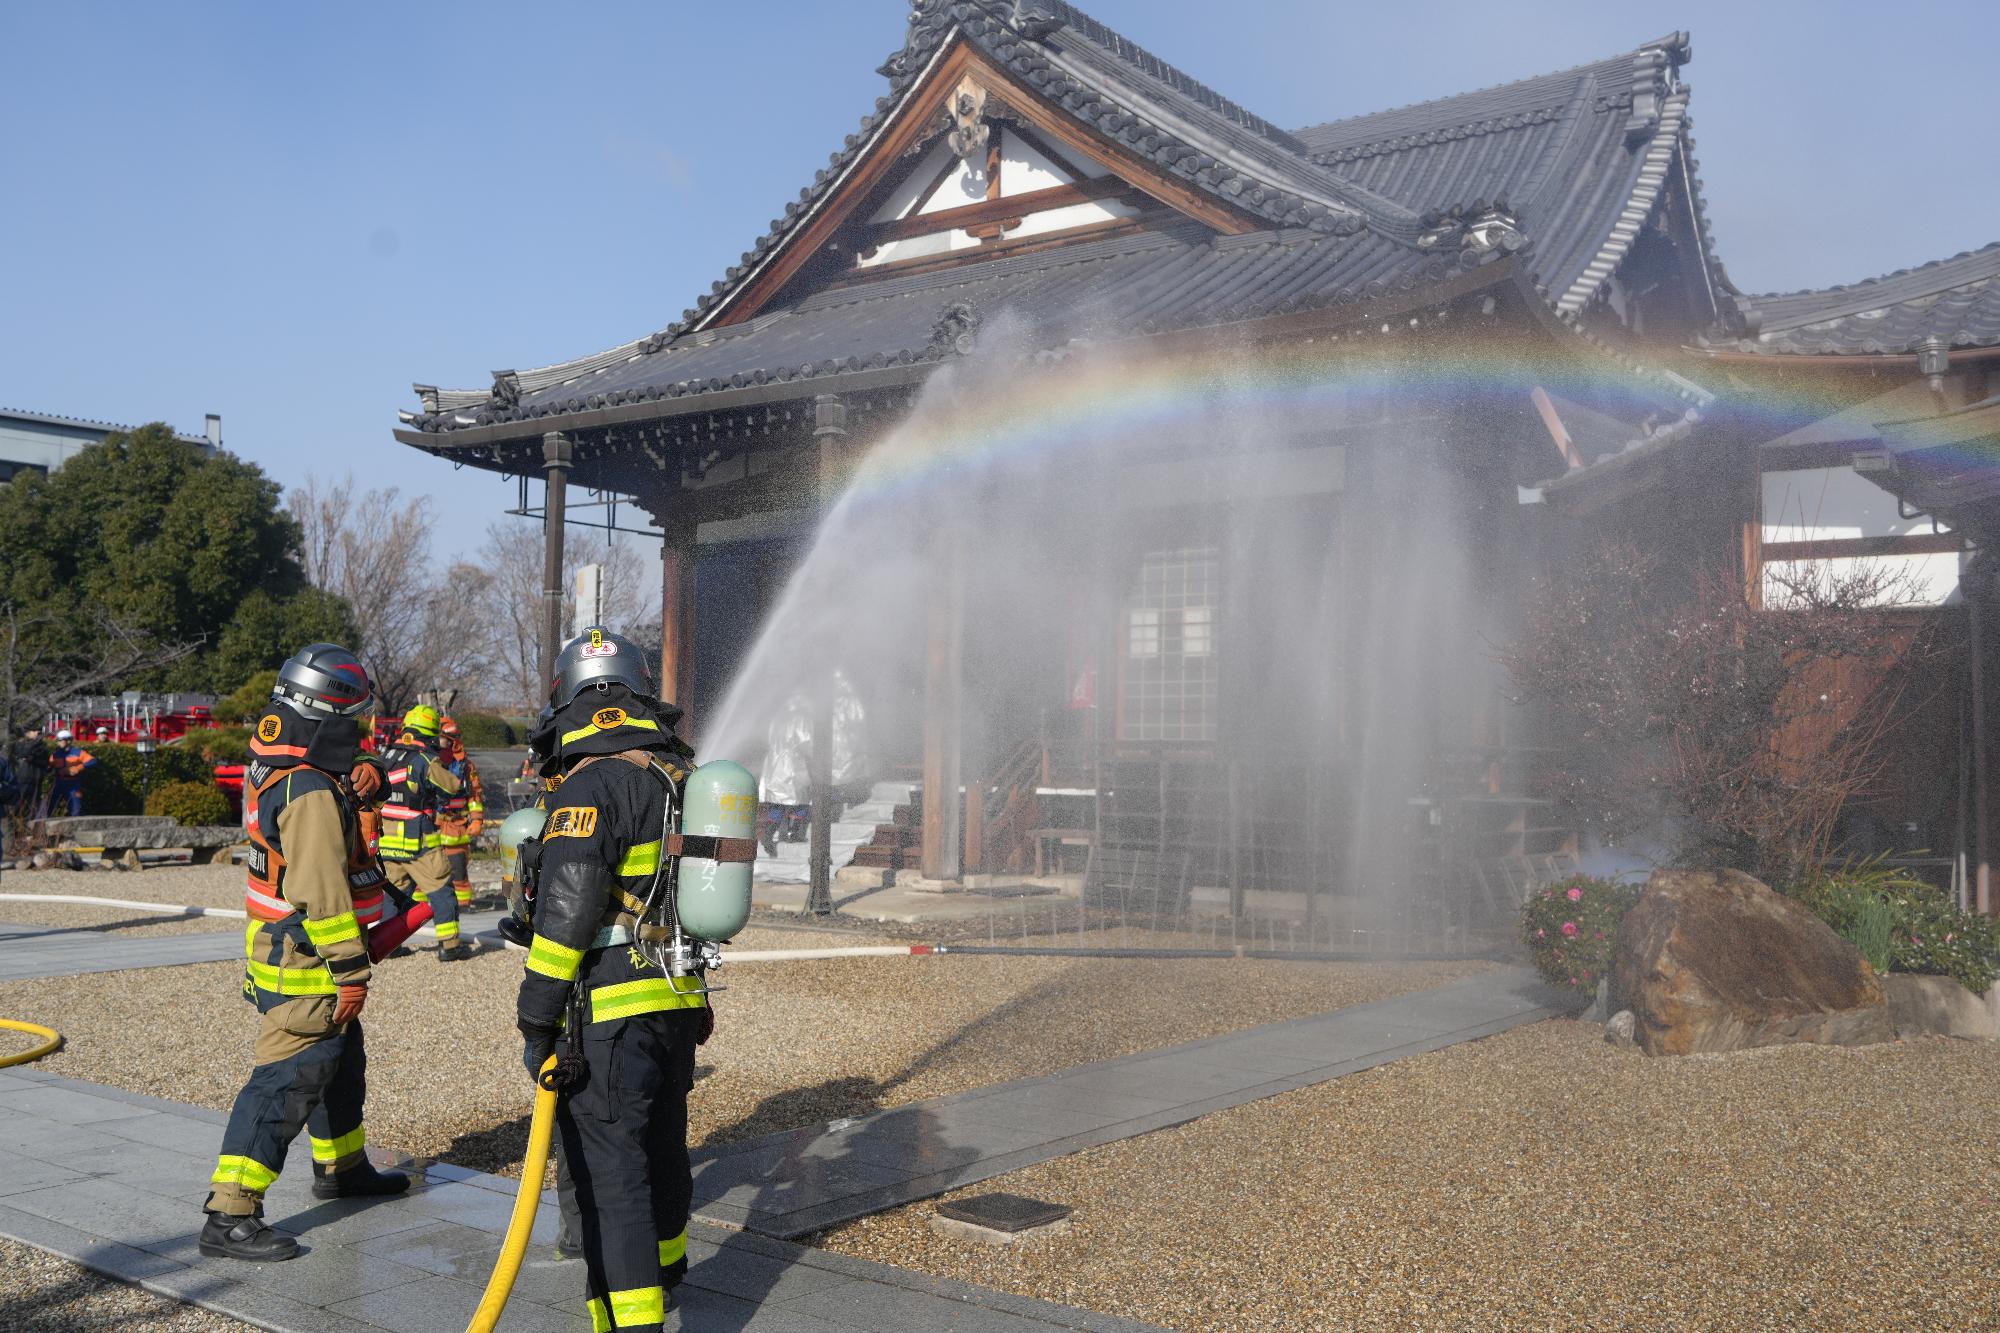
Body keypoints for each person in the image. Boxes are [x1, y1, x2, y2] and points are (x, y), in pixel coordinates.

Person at [517, 627, 707, 1329]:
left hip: (612, 1008)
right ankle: (670, 1263)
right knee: (663, 1138)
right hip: (678, 995)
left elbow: (566, 916)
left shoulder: (590, 783)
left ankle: (632, 1318)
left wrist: (536, 1014)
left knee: (612, 1167)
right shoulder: (679, 777)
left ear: (569, 693)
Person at [203, 643, 405, 1262]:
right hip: (309, 963)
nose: (363, 728)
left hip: (287, 953)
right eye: (357, 717)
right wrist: (351, 971)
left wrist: (365, 770)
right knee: (286, 1082)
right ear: (330, 710)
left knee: (339, 1063)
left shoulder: (282, 759)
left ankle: (342, 1169)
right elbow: (322, 890)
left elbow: (338, 782)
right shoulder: (310, 790)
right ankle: (230, 1214)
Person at [377, 705, 466, 961]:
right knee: (441, 890)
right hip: (418, 841)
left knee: (394, 893)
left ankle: (390, 946)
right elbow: (452, 787)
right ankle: (449, 947)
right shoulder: (424, 760)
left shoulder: (386, 756)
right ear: (430, 733)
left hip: (388, 842)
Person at [435, 716, 486, 923]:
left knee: (458, 869)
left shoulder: (465, 765)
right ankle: (420, 906)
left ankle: (463, 904)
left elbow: (474, 795)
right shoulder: (430, 761)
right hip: (434, 825)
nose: (445, 742)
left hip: (457, 826)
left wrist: (476, 820)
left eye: (448, 738)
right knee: (426, 872)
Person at [43, 729, 95, 818]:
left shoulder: (78, 752)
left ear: (68, 741)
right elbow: (49, 766)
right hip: (59, 783)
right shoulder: (56, 754)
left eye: (60, 740)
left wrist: (79, 768)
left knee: (75, 808)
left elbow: (92, 761)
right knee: (50, 806)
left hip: (73, 783)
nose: (58, 742)